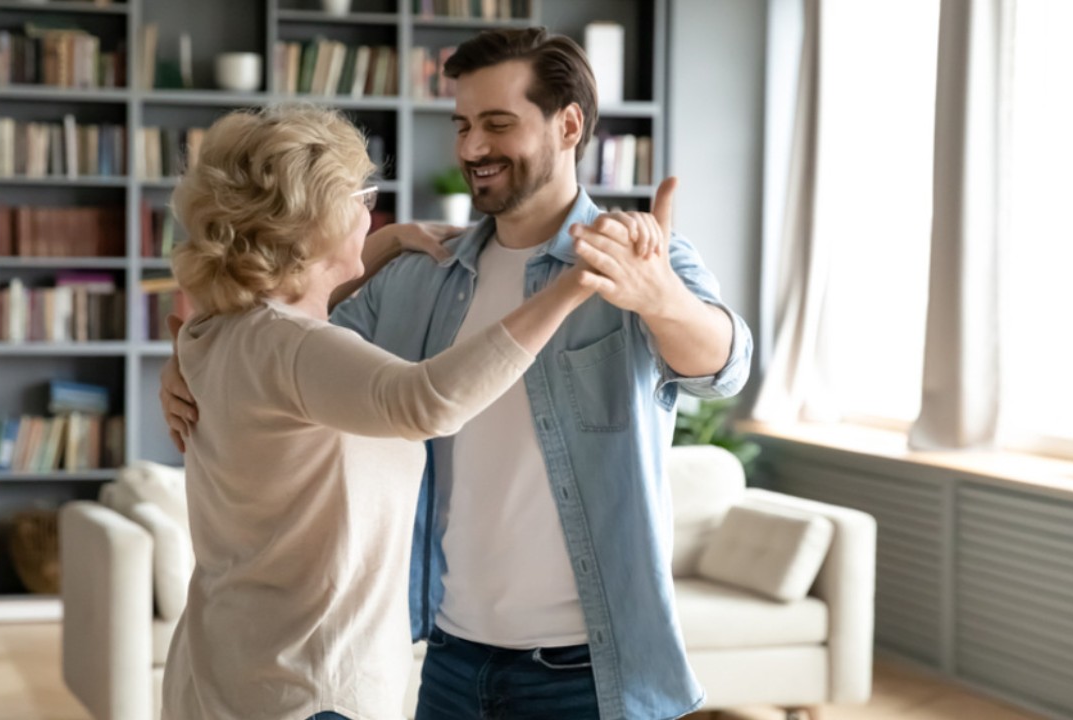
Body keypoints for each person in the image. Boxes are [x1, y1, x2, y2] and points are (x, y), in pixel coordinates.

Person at [162, 28, 753, 720]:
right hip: (449, 660)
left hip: (585, 671)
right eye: (463, 125)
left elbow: (726, 366)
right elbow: (282, 333)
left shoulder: (639, 260)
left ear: (568, 125)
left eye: (497, 124)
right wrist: (186, 362)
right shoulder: (420, 273)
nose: (472, 148)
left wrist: (661, 298)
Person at [158, 104, 615, 720]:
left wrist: (391, 241)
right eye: (361, 196)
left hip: (221, 670)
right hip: (309, 687)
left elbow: (295, 297)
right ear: (315, 221)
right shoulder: (296, 348)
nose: (371, 210)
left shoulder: (212, 330)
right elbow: (429, 401)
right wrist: (572, 286)